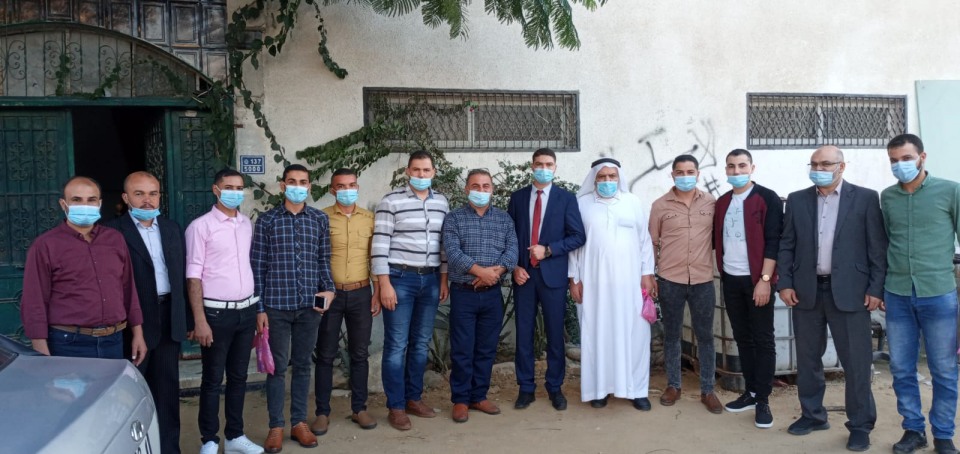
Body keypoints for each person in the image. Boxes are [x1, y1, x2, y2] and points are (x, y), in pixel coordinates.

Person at [777, 146, 886, 452]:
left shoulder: (865, 198)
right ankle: (812, 415)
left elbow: (877, 247)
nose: (819, 169)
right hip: (807, 290)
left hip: (852, 292)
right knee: (808, 359)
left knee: (856, 362)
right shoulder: (797, 200)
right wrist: (784, 283)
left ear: (842, 166)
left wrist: (876, 288)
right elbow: (787, 244)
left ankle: (860, 425)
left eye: (825, 163)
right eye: (814, 164)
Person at [881, 134, 959, 454]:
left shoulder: (951, 191)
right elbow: (887, 240)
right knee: (901, 368)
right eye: (894, 160)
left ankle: (943, 434)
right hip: (897, 293)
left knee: (944, 369)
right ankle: (913, 430)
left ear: (922, 157)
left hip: (938, 293)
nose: (900, 165)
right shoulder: (888, 197)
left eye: (906, 158)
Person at [105, 171, 191, 454]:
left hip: (169, 318)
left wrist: (187, 319)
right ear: (126, 197)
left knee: (167, 391)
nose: (147, 200)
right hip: (135, 324)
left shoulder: (171, 228)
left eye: (153, 193)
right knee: (129, 393)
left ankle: (169, 449)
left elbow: (181, 276)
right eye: (139, 194)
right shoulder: (113, 233)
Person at [252, 164, 335, 452]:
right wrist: (259, 309)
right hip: (276, 306)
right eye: (292, 181)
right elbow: (258, 266)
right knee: (276, 368)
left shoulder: (319, 219)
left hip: (309, 307)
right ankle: (276, 426)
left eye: (303, 182)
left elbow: (324, 260)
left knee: (302, 365)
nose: (297, 186)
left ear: (309, 186)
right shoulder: (267, 221)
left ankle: (299, 422)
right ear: (282, 186)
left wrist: (329, 290)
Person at [21, 176, 145, 362]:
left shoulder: (115, 239)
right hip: (68, 343)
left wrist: (138, 333)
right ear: (63, 204)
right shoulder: (45, 245)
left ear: (99, 203)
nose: (85, 205)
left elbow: (128, 289)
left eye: (91, 200)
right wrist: (41, 351)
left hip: (114, 340)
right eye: (77, 200)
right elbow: (34, 300)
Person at [186, 168, 263, 454]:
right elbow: (193, 276)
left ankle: (234, 436)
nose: (235, 193)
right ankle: (209, 439)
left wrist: (257, 309)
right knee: (212, 379)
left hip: (246, 310)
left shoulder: (246, 224)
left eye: (239, 188)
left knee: (239, 377)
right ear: (216, 190)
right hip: (216, 314)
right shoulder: (200, 227)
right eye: (229, 187)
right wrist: (199, 320)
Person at [568, 158, 656, 410]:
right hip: (593, 283)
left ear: (619, 178)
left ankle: (636, 390)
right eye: (602, 177)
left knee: (636, 334)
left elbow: (644, 241)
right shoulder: (582, 204)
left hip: (630, 283)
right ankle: (599, 389)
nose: (607, 181)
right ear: (594, 179)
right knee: (596, 333)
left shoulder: (632, 202)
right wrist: (574, 278)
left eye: (612, 176)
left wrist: (647, 273)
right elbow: (574, 245)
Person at [371, 150, 449, 431]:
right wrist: (384, 284)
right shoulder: (391, 201)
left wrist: (443, 279)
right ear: (407, 172)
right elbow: (380, 244)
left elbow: (443, 245)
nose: (421, 175)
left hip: (430, 280)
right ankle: (396, 405)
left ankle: (413, 398)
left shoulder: (441, 202)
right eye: (416, 170)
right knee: (396, 345)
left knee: (420, 343)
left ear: (434, 172)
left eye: (426, 170)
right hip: (399, 279)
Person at [507, 148, 586, 411]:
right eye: (539, 164)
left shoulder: (566, 198)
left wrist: (549, 250)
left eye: (548, 164)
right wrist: (514, 266)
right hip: (524, 276)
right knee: (524, 334)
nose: (543, 168)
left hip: (553, 277)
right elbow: (509, 236)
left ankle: (555, 387)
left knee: (554, 334)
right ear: (532, 166)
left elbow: (578, 236)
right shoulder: (518, 198)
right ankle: (525, 388)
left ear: (555, 168)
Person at [712, 148, 782, 429]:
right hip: (731, 279)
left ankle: (763, 399)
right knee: (742, 337)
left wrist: (765, 280)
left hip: (758, 280)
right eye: (731, 166)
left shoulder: (767, 198)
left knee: (763, 339)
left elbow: (774, 241)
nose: (737, 171)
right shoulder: (722, 202)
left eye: (742, 166)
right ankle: (751, 392)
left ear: (752, 168)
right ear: (726, 170)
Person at [443, 169, 519, 423]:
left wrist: (495, 273)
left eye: (486, 186)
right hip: (464, 293)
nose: (481, 190)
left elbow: (512, 251)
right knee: (462, 349)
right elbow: (453, 252)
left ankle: (479, 396)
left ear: (492, 190)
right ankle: (461, 399)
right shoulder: (454, 218)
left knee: (486, 348)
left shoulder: (504, 219)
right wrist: (480, 272)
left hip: (492, 294)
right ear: (466, 189)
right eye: (476, 186)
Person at [648, 155, 721, 414]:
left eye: (690, 171)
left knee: (706, 336)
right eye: (680, 172)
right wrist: (650, 275)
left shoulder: (712, 203)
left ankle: (708, 389)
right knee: (672, 335)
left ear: (698, 174)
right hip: (670, 280)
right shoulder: (659, 206)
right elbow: (651, 243)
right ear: (672, 175)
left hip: (702, 280)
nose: (685, 176)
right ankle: (673, 385)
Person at [313, 168, 379, 435]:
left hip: (362, 292)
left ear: (358, 187)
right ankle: (322, 412)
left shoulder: (369, 219)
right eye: (341, 186)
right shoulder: (321, 218)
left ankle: (359, 408)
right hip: (330, 294)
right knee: (325, 354)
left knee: (360, 353)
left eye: (351, 185)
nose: (347, 190)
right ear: (332, 190)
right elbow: (316, 257)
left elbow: (374, 257)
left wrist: (377, 291)